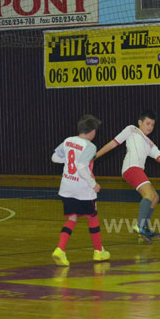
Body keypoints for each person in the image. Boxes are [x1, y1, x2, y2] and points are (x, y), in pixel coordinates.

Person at [95, 110, 160, 242]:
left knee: (155, 197)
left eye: (152, 125)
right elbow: (113, 143)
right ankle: (140, 226)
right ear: (140, 122)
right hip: (131, 168)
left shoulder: (150, 144)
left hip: (138, 170)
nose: (150, 127)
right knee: (148, 195)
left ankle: (144, 228)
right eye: (147, 123)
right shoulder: (132, 129)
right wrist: (95, 156)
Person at [51, 114, 110, 267]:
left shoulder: (68, 141)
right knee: (93, 216)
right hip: (82, 189)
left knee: (72, 218)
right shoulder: (90, 146)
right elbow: (82, 167)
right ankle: (98, 251)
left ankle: (60, 249)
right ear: (92, 131)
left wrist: (68, 160)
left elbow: (54, 158)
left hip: (66, 188)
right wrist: (93, 184)